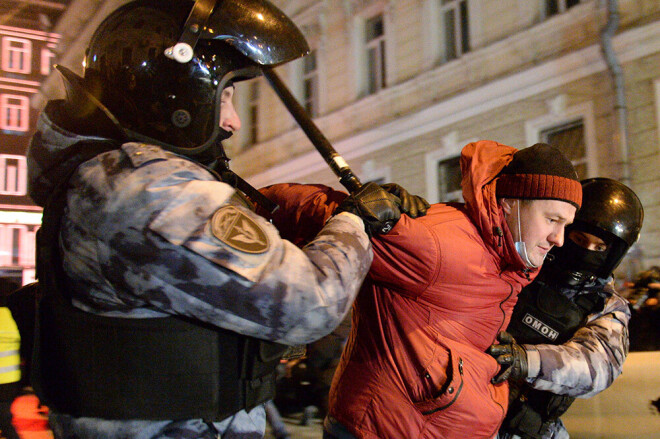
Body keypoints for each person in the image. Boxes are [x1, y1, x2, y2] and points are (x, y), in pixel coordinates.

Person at [25, 0, 427, 438]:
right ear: (176, 93)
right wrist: (355, 223)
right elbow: (308, 303)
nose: (233, 122)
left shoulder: (105, 179)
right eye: (226, 95)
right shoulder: (150, 190)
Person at [255, 140, 582, 438]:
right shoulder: (441, 244)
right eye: (552, 220)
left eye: (566, 225)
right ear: (511, 203)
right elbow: (318, 208)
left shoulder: (509, 259)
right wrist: (244, 203)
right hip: (387, 429)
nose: (559, 239)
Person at [490, 178, 644, 439]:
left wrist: (526, 361)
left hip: (526, 428)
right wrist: (402, 222)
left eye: (599, 247)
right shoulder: (522, 265)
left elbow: (597, 366)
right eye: (579, 239)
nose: (586, 252)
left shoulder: (607, 305)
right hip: (466, 407)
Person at [0, 296, 21, 439]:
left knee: (5, 421)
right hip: (11, 379)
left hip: (3, 380)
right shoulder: (8, 316)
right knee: (4, 418)